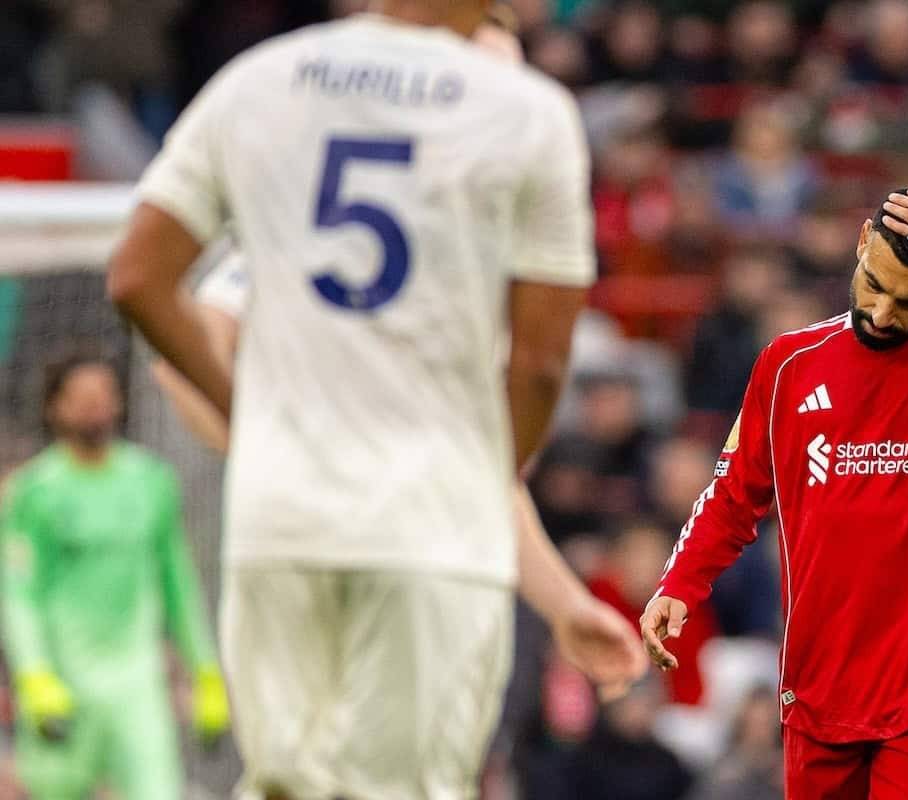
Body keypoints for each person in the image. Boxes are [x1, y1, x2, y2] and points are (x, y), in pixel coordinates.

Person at [106, 0, 602, 794]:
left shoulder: (266, 86)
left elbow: (141, 281)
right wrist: (476, 477)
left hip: (281, 518)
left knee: (283, 782)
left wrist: (261, 424)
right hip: (429, 526)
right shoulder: (522, 121)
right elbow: (541, 368)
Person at [641, 187, 908, 799]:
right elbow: (732, 494)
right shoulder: (789, 364)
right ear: (861, 243)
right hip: (817, 692)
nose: (882, 313)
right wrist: (680, 583)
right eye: (875, 286)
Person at [153, 250, 646, 699]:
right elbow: (180, 358)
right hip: (326, 592)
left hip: (425, 603)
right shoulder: (310, 224)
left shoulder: (471, 271)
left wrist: (567, 606)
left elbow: (478, 475)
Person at [1, 353, 228, 800]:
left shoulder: (151, 481)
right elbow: (20, 593)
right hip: (64, 684)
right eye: (82, 399)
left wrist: (205, 671)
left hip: (137, 684)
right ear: (55, 406)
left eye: (103, 396)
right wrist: (34, 674)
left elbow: (178, 585)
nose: (95, 408)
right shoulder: (35, 492)